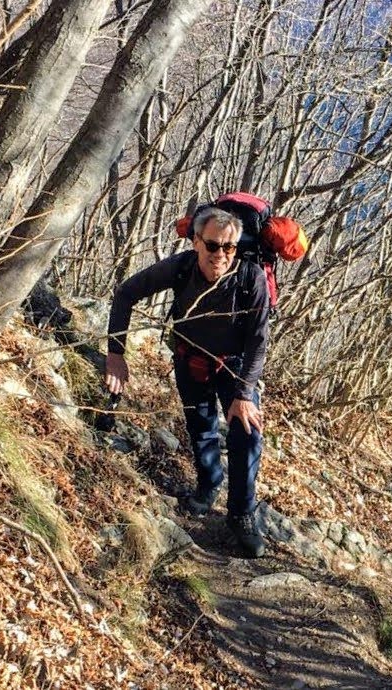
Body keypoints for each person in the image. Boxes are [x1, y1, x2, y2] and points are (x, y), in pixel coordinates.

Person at [105, 206, 269, 558]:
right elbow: (126, 293)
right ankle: (208, 486)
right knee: (200, 425)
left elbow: (259, 339)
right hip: (189, 357)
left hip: (235, 367)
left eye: (229, 247)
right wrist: (115, 354)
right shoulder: (180, 267)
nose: (220, 254)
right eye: (212, 245)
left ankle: (241, 514)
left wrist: (244, 394)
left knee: (247, 433)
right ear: (196, 242)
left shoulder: (250, 277)